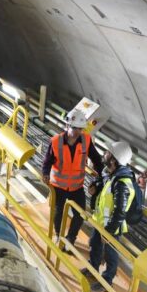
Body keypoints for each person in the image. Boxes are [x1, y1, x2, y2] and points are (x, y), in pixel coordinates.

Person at [41, 108, 104, 252]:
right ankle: (59, 236)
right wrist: (45, 173)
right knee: (58, 212)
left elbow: (96, 159)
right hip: (59, 185)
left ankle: (70, 238)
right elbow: (47, 161)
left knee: (80, 214)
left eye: (80, 129)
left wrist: (102, 175)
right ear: (67, 126)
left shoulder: (86, 140)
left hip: (77, 187)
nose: (77, 132)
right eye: (74, 128)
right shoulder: (56, 142)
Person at [84, 141, 135, 292]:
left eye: (108, 152)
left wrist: (109, 231)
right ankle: (92, 268)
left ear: (114, 159)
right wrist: (95, 190)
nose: (105, 153)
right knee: (95, 245)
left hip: (112, 227)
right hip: (101, 223)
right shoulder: (111, 175)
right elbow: (105, 196)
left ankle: (106, 281)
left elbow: (120, 211)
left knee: (110, 254)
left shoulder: (122, 183)